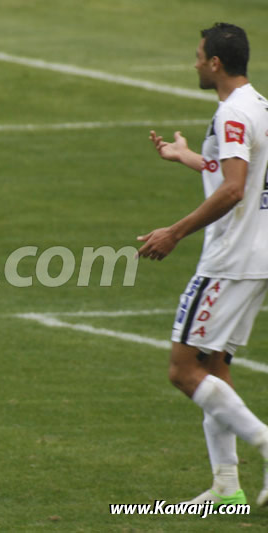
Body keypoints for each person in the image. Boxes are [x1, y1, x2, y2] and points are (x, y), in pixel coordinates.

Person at [138, 22, 268, 507]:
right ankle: (226, 485)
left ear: (215, 63)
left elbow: (235, 189)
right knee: (214, 368)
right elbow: (242, 174)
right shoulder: (258, 106)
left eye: (198, 56)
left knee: (182, 370)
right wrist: (190, 157)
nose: (194, 63)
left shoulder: (234, 114)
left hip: (228, 259)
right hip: (258, 254)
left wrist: (174, 232)